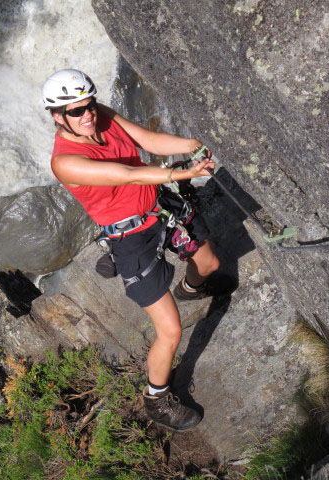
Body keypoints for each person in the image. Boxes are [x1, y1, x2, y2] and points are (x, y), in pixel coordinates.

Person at [44, 69, 233, 431]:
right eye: (75, 111)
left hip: (159, 207)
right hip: (131, 239)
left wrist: (192, 144)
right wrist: (181, 175)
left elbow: (149, 139)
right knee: (171, 331)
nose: (87, 115)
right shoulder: (65, 162)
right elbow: (126, 175)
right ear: (57, 116)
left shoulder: (102, 115)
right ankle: (156, 399)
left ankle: (191, 289)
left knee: (210, 264)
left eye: (88, 105)